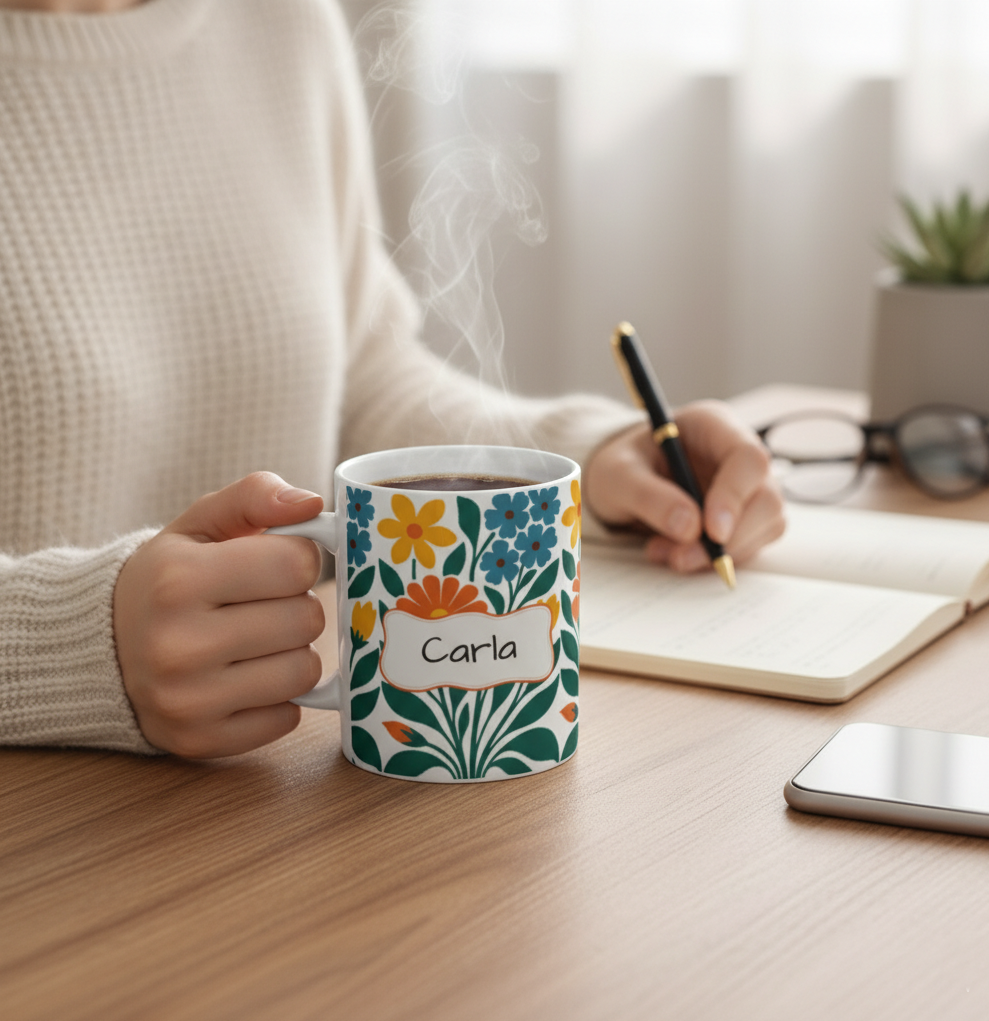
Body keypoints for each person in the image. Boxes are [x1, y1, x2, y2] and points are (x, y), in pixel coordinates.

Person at [0, 0, 784, 759]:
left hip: (279, 795)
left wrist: (592, 456)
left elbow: (365, 378)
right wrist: (78, 639)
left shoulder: (279, 20)